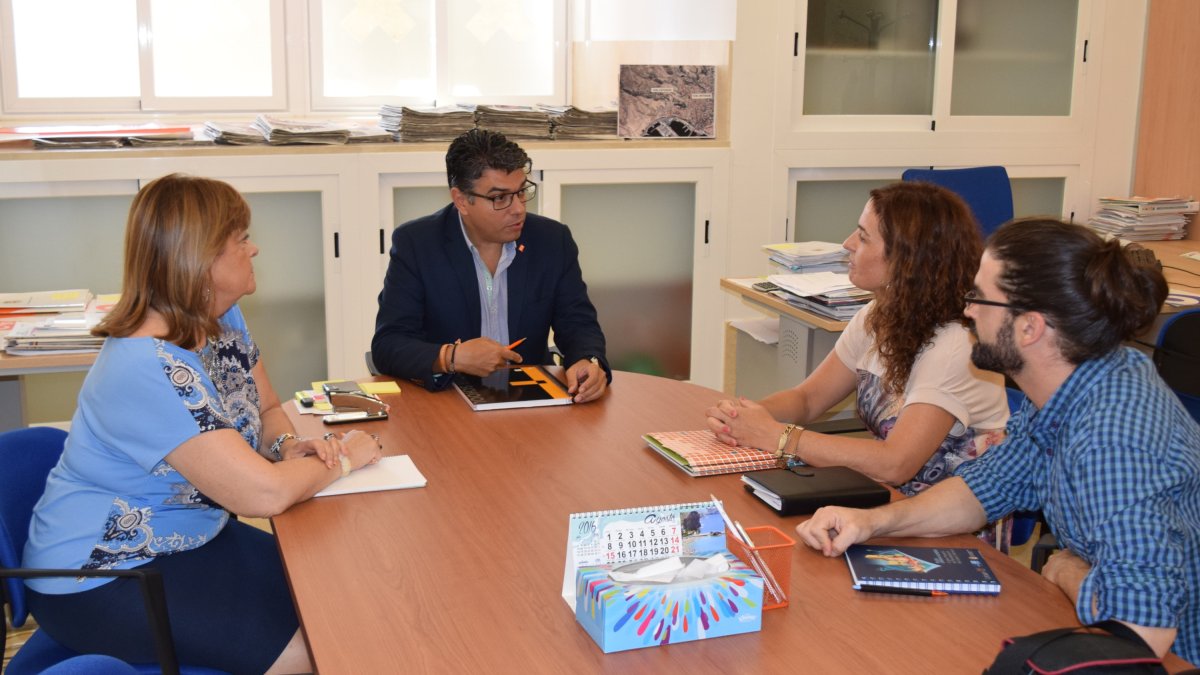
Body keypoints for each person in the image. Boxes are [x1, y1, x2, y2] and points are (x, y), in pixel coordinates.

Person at [22, 174, 384, 673]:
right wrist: (344, 457)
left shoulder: (221, 318)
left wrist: (285, 447)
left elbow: (267, 408)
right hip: (107, 573)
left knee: (346, 594)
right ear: (201, 259)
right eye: (240, 239)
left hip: (195, 536)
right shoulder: (144, 366)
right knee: (325, 649)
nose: (254, 249)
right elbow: (262, 497)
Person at [796, 219, 1200, 663]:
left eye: (978, 298)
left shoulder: (1115, 443)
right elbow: (982, 490)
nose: (967, 312)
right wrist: (872, 523)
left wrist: (1068, 571)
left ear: (1029, 328)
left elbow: (1143, 632)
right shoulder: (1073, 383)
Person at [706, 182, 1008, 497]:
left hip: (951, 524)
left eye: (863, 237)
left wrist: (778, 436)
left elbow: (896, 463)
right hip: (893, 501)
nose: (848, 244)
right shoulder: (877, 314)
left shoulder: (955, 345)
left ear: (907, 260)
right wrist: (743, 417)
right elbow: (808, 399)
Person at [371, 129, 610, 402]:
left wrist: (588, 360)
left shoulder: (552, 240)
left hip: (529, 396)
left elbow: (578, 323)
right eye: (500, 198)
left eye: (521, 192)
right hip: (448, 398)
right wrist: (452, 357)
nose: (518, 208)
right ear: (461, 200)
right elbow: (389, 344)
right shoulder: (417, 244)